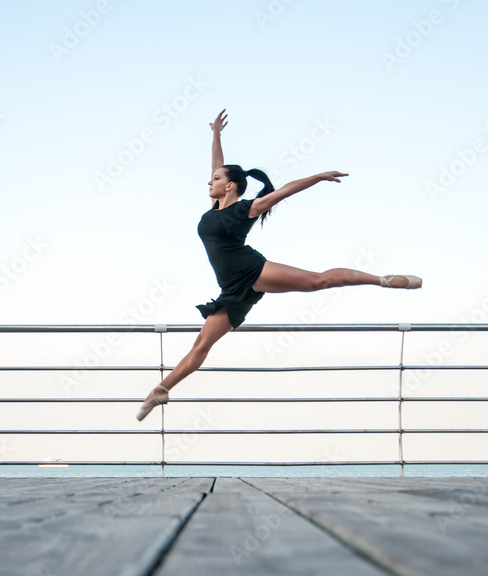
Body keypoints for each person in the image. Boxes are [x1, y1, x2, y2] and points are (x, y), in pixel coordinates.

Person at [136, 109, 422, 421]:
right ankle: (161, 390)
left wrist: (317, 177)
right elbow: (218, 164)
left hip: (252, 270)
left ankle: (382, 279)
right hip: (231, 289)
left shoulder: (247, 208)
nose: (210, 179)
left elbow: (285, 190)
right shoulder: (215, 208)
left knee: (318, 281)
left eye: (217, 179)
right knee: (201, 344)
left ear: (230, 186)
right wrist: (216, 134)